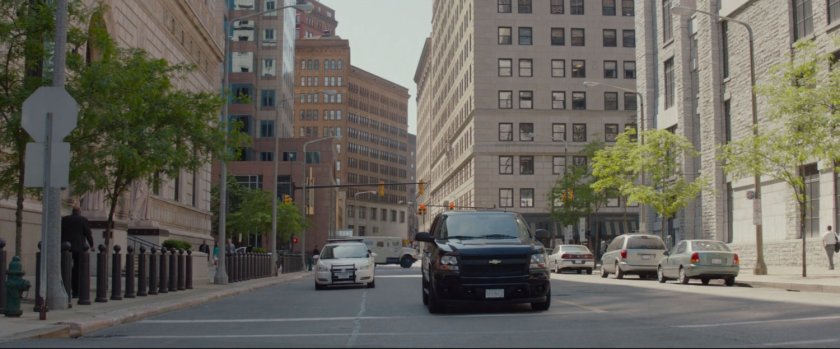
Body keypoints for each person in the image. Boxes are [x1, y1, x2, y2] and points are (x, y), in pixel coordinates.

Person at [61, 205, 94, 298]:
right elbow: (88, 233)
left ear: (72, 211)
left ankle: (65, 289)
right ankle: (76, 291)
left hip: (65, 247)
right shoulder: (83, 219)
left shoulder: (65, 219)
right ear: (79, 211)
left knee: (65, 268)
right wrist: (91, 245)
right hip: (78, 248)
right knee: (78, 269)